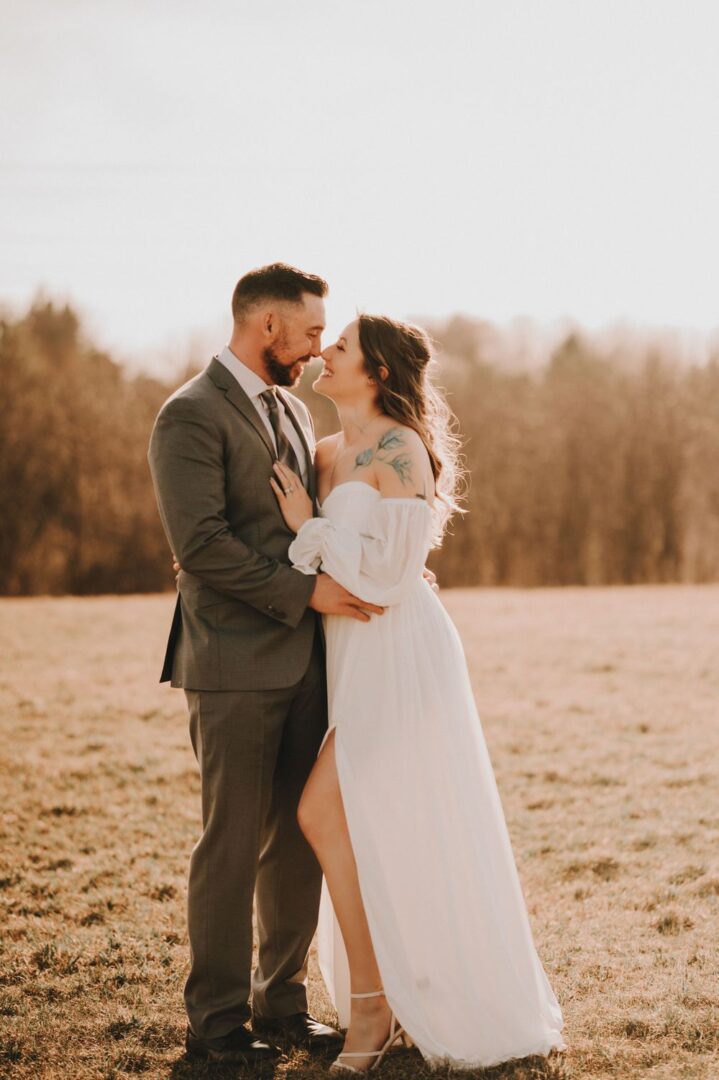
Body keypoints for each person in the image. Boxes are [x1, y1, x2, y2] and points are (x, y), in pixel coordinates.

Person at [270, 313, 567, 1072]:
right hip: (350, 655)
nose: (322, 354)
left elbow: (394, 580)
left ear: (375, 373)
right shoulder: (324, 450)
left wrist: (311, 528)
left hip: (402, 653)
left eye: (338, 348)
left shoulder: (400, 449)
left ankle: (372, 1013)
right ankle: (385, 1000)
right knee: (365, 823)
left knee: (323, 812)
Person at [147, 264, 387, 1066]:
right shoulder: (188, 416)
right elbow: (202, 548)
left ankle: (280, 1005)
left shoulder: (287, 405)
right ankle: (216, 1026)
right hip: (232, 664)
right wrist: (306, 594)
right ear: (269, 328)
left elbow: (320, 519)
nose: (320, 349)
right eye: (313, 332)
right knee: (233, 839)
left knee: (294, 838)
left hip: (304, 663)